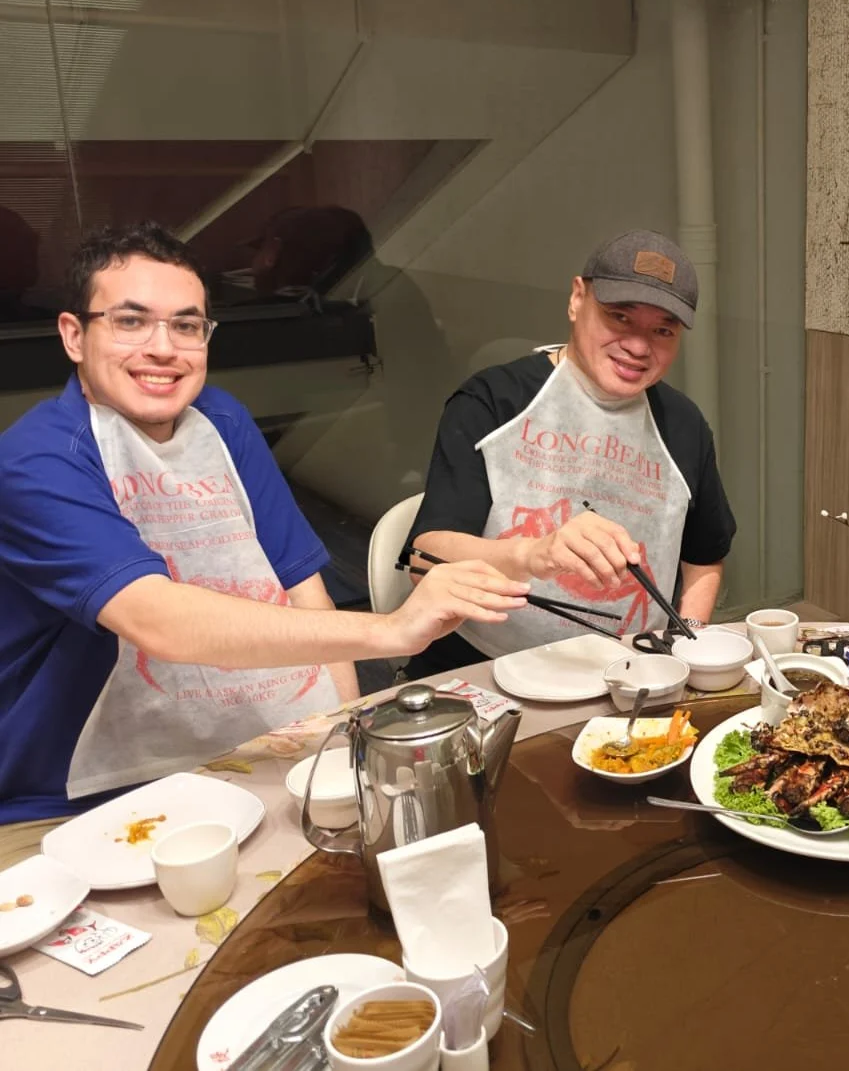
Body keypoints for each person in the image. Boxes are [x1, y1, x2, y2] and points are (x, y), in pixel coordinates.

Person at [0, 223, 530, 828]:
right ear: (75, 335)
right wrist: (394, 630)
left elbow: (304, 588)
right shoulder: (35, 462)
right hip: (82, 797)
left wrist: (344, 740)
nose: (163, 348)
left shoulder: (222, 422)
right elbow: (154, 619)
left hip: (256, 749)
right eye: (130, 321)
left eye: (186, 325)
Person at [407, 230, 737, 668]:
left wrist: (686, 648)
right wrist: (534, 553)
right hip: (485, 663)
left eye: (662, 330)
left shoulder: (684, 425)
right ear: (577, 298)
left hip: (634, 669)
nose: (639, 346)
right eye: (619, 317)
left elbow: (704, 556)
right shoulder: (493, 401)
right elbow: (425, 557)